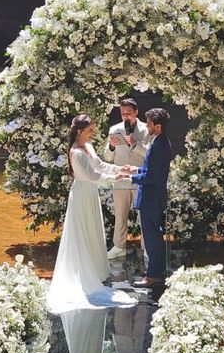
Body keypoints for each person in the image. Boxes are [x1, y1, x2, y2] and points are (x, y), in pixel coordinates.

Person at [47, 114, 137, 313]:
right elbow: (91, 175)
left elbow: (100, 166)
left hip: (91, 193)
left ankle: (95, 271)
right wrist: (115, 178)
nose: (93, 133)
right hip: (81, 194)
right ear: (80, 131)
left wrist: (120, 169)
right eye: (89, 130)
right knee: (83, 231)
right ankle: (82, 273)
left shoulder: (88, 147)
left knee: (93, 229)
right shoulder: (76, 152)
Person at [117, 108, 172, 287]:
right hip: (153, 198)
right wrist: (136, 169)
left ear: (158, 126)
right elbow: (151, 169)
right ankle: (155, 271)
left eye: (149, 123)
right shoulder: (161, 142)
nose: (146, 126)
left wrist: (130, 178)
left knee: (152, 238)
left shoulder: (158, 145)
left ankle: (153, 275)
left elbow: (150, 177)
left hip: (151, 199)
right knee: (154, 236)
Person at [104, 98, 151, 260]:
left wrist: (136, 144)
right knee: (120, 215)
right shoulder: (115, 129)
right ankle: (119, 246)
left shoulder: (146, 130)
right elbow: (107, 157)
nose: (126, 116)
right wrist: (111, 146)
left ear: (136, 112)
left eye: (129, 113)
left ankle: (147, 247)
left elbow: (150, 155)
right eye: (123, 113)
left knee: (144, 216)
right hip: (121, 180)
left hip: (140, 179)